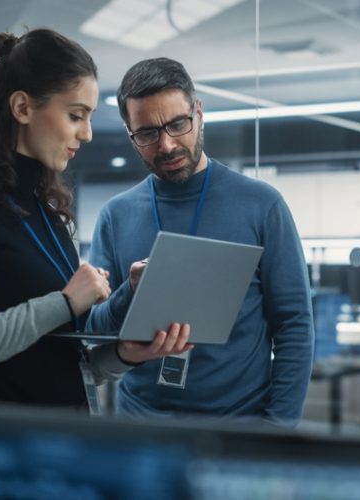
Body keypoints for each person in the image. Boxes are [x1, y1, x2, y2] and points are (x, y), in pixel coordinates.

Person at [0, 29, 191, 410]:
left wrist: (125, 353)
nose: (87, 133)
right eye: (76, 115)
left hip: (66, 443)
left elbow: (66, 363)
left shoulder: (51, 215)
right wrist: (63, 303)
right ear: (22, 108)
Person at [87, 57, 314, 427]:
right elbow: (95, 331)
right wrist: (130, 291)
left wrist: (278, 428)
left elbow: (294, 325)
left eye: (178, 124)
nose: (167, 144)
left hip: (240, 428)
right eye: (147, 134)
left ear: (199, 113)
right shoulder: (116, 216)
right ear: (130, 135)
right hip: (142, 428)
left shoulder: (261, 205)